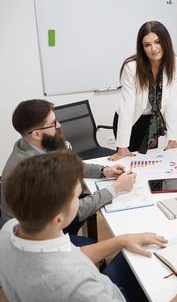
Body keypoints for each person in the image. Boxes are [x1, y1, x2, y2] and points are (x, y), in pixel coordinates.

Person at [0, 151, 177, 302]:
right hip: (106, 295)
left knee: (132, 257)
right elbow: (67, 273)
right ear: (58, 220)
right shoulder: (77, 287)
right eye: (76, 197)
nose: (80, 198)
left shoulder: (10, 230)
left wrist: (119, 240)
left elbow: (65, 255)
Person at [1, 99, 136, 233]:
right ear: (36, 134)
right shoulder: (32, 171)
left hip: (47, 215)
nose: (59, 125)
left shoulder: (34, 143)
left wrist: (104, 171)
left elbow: (69, 166)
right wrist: (116, 188)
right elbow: (72, 211)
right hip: (30, 235)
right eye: (53, 123)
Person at [109, 21, 177, 161]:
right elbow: (127, 106)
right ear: (142, 47)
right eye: (147, 45)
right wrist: (122, 147)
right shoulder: (131, 67)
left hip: (152, 121)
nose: (153, 48)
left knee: (149, 162)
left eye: (157, 42)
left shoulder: (174, 63)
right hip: (132, 119)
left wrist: (172, 139)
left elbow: (172, 101)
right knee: (129, 163)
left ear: (165, 42)